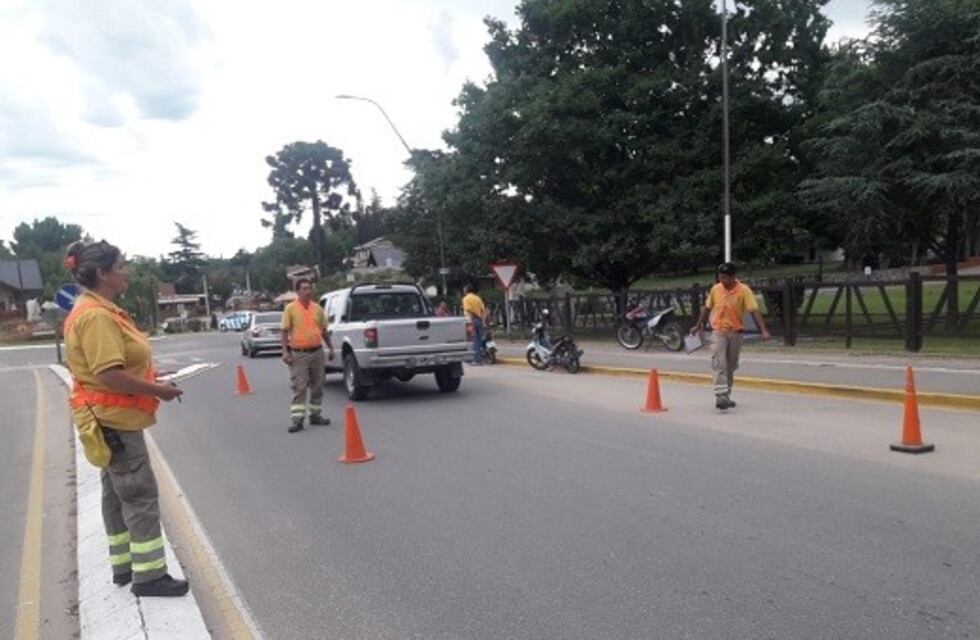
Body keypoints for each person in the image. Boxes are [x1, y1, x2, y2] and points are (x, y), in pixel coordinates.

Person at [62, 240, 189, 597]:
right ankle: (149, 577)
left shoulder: (96, 309)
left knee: (116, 495)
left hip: (107, 418)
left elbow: (116, 366)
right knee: (138, 494)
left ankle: (125, 567)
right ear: (102, 273)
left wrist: (150, 377)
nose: (126, 272)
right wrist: (158, 391)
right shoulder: (97, 316)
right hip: (115, 420)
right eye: (121, 266)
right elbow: (109, 374)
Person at [690, 262, 771, 410]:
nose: (723, 281)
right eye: (720, 278)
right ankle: (720, 396)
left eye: (726, 278)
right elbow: (707, 307)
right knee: (719, 362)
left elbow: (754, 310)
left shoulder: (744, 291)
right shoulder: (716, 289)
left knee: (730, 366)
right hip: (718, 331)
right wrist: (698, 324)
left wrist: (763, 330)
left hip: (735, 332)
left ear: (733, 277)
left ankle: (726, 395)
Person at [281, 278, 334, 433]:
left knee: (318, 386)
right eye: (304, 289)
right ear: (298, 291)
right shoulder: (290, 308)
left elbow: (324, 330)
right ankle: (297, 420)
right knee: (300, 387)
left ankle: (315, 415)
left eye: (309, 288)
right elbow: (284, 331)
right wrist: (285, 351)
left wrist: (330, 348)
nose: (308, 291)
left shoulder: (317, 308)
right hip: (299, 354)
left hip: (317, 352)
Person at [461, 284, 487, 365]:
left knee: (473, 340)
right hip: (479, 321)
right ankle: (480, 358)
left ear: (467, 290)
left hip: (470, 321)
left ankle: (476, 360)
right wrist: (482, 319)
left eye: (464, 289)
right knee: (479, 340)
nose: (463, 290)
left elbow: (469, 310)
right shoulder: (477, 298)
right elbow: (483, 309)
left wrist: (476, 315)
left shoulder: (465, 299)